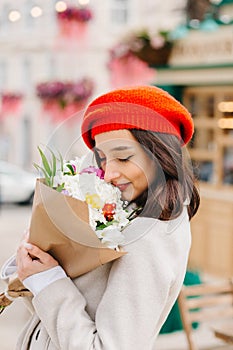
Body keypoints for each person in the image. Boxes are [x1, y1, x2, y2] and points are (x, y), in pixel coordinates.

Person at [15, 85, 200, 349]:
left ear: (161, 156)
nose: (109, 173)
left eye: (123, 158)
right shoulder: (125, 211)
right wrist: (36, 267)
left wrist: (47, 281)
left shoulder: (150, 238)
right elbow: (63, 315)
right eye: (102, 158)